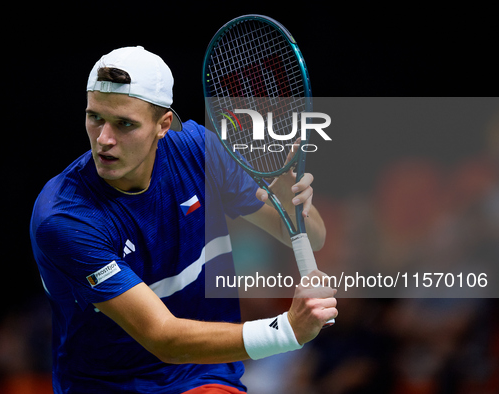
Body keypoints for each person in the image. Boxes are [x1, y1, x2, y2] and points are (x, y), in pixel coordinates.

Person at [30, 46, 337, 394]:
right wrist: (287, 331)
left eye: (124, 124)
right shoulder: (66, 217)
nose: (104, 139)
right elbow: (164, 338)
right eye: (95, 117)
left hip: (202, 376)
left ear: (163, 125)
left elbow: (309, 237)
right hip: (107, 386)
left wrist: (289, 198)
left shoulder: (200, 153)